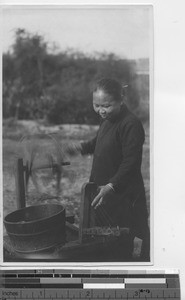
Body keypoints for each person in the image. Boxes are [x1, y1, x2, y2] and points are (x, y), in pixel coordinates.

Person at [66, 78, 150, 261]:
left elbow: (131, 162)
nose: (101, 110)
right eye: (96, 105)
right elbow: (98, 142)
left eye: (106, 105)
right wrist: (80, 147)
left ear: (121, 100)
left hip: (122, 193)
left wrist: (112, 186)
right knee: (101, 234)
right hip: (102, 190)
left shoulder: (130, 124)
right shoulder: (107, 120)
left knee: (119, 237)